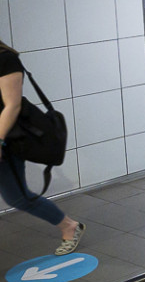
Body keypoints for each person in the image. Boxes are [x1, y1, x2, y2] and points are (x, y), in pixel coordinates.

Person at [0, 43, 85, 255]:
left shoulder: (5, 59)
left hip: (5, 139)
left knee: (18, 197)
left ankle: (68, 226)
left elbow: (13, 105)